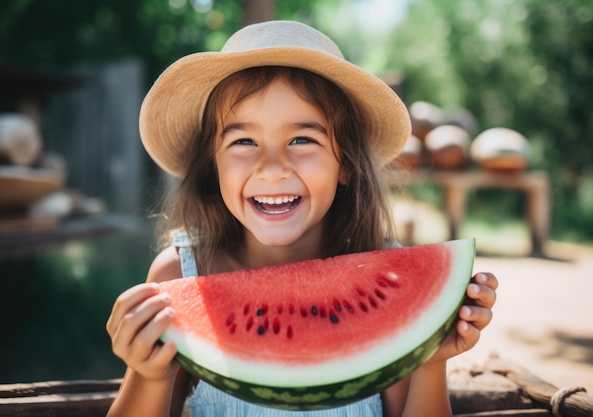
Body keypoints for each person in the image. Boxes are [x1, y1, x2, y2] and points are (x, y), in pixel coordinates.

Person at [105, 20, 498, 417]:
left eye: (302, 140)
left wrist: (431, 357)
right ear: (214, 166)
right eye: (243, 141)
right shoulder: (179, 276)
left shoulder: (393, 277)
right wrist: (147, 374)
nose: (272, 168)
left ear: (344, 163)